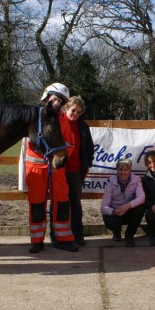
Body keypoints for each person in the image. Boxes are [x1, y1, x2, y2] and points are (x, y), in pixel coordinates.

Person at [24, 82, 78, 253]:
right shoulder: (34, 116)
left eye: (61, 101)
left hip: (56, 168)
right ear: (46, 98)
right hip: (36, 167)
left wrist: (59, 158)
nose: (57, 103)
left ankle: (63, 238)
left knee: (62, 202)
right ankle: (37, 240)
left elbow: (69, 143)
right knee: (37, 204)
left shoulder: (63, 121)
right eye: (55, 99)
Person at [62, 96, 94, 245]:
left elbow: (89, 148)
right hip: (59, 171)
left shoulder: (83, 126)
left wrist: (87, 165)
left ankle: (78, 235)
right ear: (67, 108)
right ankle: (57, 235)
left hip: (76, 171)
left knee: (75, 203)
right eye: (73, 110)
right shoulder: (57, 123)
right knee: (59, 204)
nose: (75, 114)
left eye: (79, 112)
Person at [101, 158, 145, 247]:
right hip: (115, 211)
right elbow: (103, 207)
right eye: (120, 170)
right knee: (113, 222)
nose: (123, 172)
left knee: (140, 209)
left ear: (130, 170)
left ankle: (129, 235)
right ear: (117, 170)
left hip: (129, 210)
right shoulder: (110, 181)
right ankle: (116, 232)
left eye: (126, 170)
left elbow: (141, 198)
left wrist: (127, 206)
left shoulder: (137, 180)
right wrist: (113, 211)